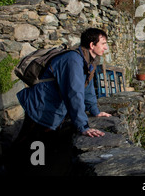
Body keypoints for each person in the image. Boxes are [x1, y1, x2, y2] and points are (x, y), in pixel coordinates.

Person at [8, 28, 112, 174]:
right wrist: (83, 126)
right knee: (33, 143)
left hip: (51, 109)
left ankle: (24, 168)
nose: (106, 47)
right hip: (41, 107)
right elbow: (74, 93)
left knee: (41, 144)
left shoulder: (89, 61)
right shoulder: (73, 60)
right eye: (103, 43)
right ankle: (15, 169)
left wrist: (95, 110)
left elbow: (87, 88)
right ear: (91, 45)